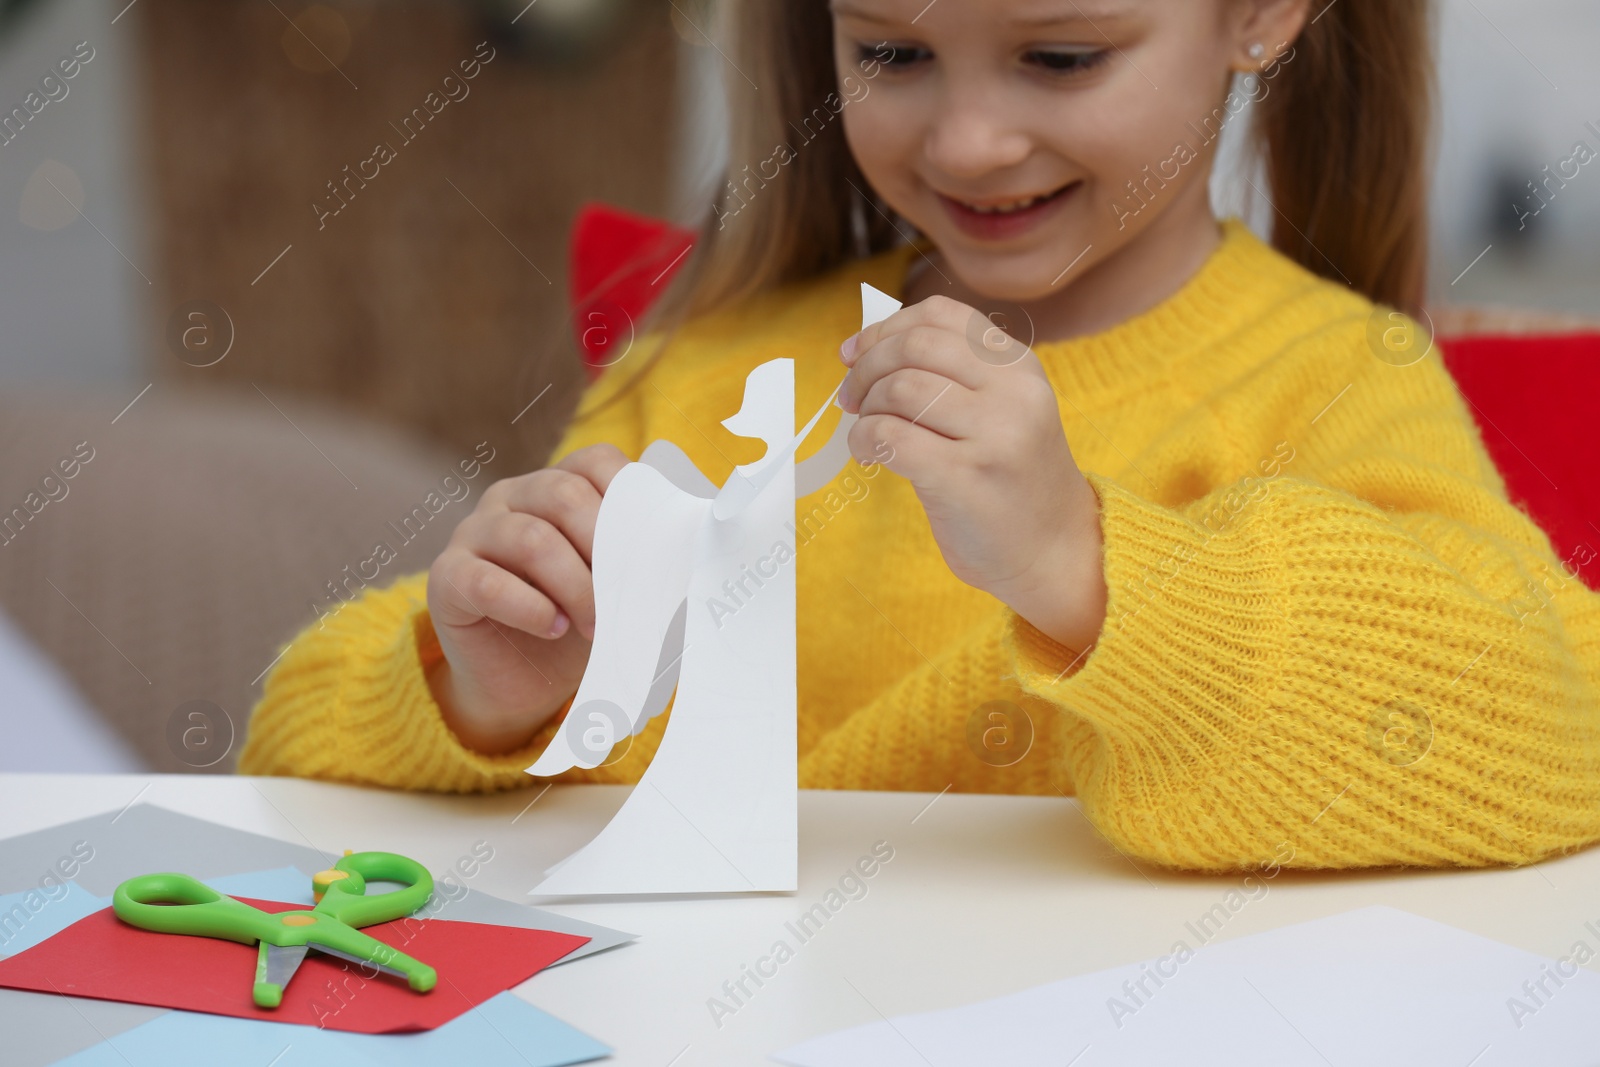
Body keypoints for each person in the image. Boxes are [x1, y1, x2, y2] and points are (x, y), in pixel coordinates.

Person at [240, 0, 1600, 873]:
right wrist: (485, 693)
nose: (968, 141)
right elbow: (282, 765)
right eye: (891, 52)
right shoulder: (711, 357)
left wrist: (1090, 566)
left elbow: (1556, 726)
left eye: (1062, 57)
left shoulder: (1330, 376)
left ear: (1256, 15)